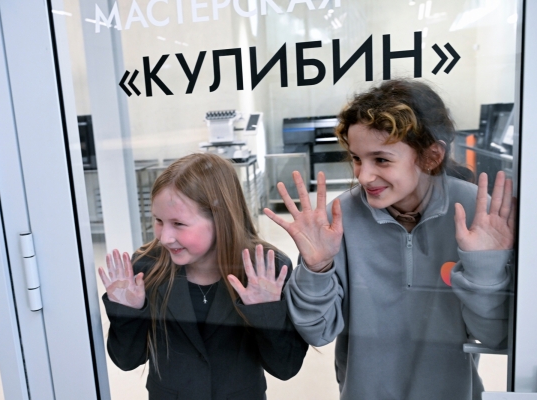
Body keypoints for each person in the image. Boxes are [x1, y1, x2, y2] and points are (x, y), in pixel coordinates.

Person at [265, 79, 515, 400]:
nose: (363, 175)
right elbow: (318, 332)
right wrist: (317, 268)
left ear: (431, 156)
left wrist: (485, 268)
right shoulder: (336, 221)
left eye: (381, 160)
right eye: (357, 158)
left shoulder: (476, 214)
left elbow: (495, 335)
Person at [98, 153, 308, 400]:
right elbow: (126, 360)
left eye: (178, 223)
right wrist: (129, 313)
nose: (164, 237)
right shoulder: (147, 267)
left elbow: (285, 367)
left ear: (221, 219)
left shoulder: (267, 269)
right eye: (158, 220)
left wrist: (266, 310)